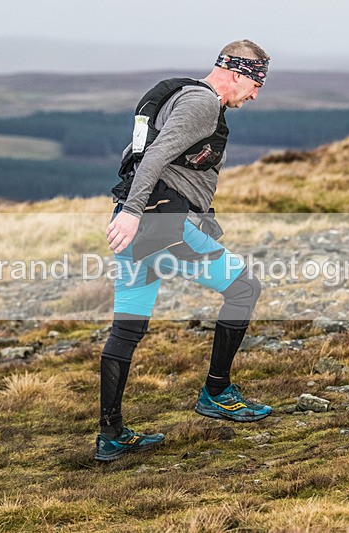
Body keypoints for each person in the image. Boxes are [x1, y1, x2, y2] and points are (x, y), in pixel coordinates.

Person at [95, 40, 271, 462]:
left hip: (141, 226)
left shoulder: (182, 95)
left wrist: (139, 212)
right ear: (234, 72)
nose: (255, 95)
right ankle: (216, 392)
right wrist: (136, 212)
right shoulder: (202, 103)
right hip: (155, 224)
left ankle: (111, 435)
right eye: (255, 83)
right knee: (244, 287)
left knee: (128, 328)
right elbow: (155, 156)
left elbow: (158, 159)